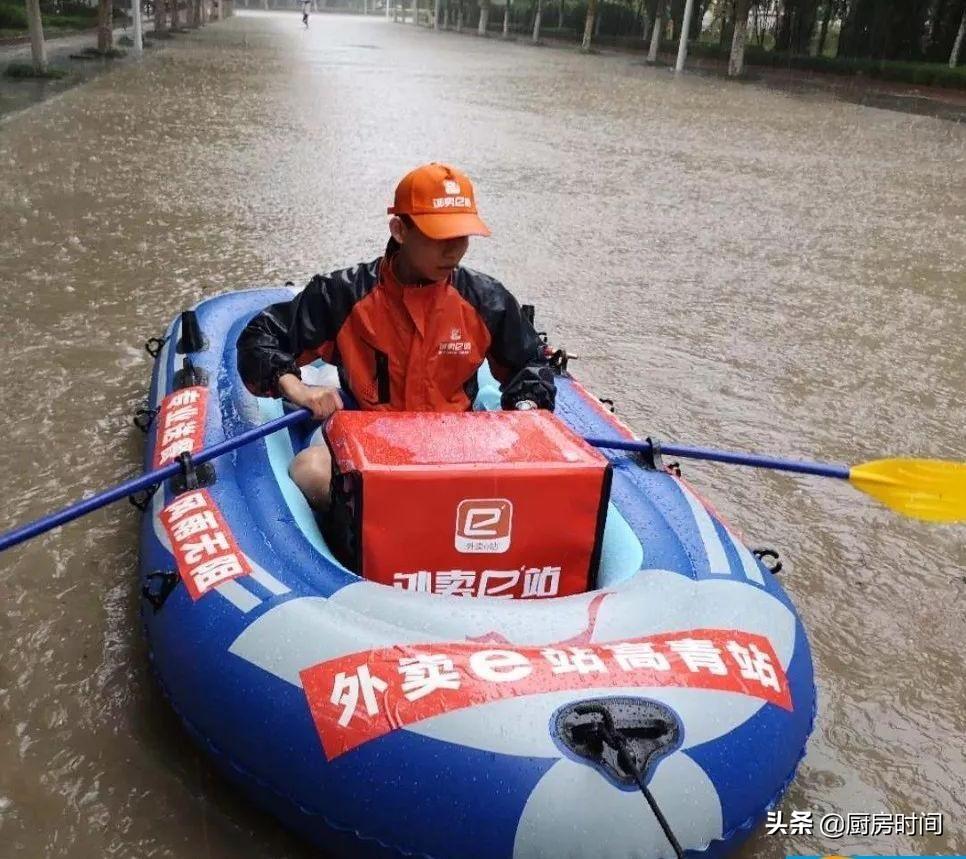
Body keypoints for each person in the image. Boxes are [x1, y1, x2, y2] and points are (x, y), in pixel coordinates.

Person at [237, 162, 556, 510]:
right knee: (310, 471)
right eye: (440, 237)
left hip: (455, 444)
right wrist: (297, 389)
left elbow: (530, 363)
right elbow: (261, 337)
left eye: (461, 237)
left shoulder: (487, 301)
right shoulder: (343, 295)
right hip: (365, 436)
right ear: (400, 230)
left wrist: (526, 410)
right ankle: (348, 545)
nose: (454, 251)